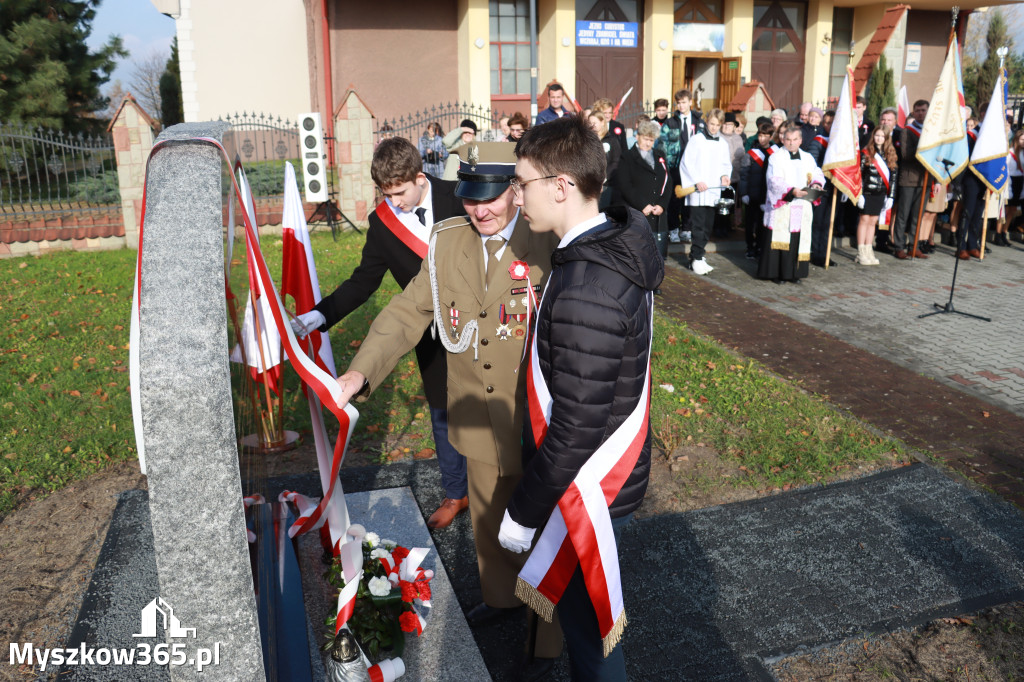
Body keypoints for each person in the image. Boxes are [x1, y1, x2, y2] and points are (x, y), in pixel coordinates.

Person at [330, 142, 564, 675]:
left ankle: (543, 637)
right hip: (476, 415)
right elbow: (408, 310)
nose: (479, 211)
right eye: (469, 197)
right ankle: (503, 599)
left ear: (515, 190)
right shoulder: (448, 240)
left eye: (492, 198)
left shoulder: (549, 239)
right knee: (486, 518)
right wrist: (360, 371)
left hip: (535, 420)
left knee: (541, 529)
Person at [501, 113, 661, 682]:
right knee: (588, 632)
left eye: (522, 183)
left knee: (592, 642)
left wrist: (523, 511)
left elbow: (576, 425)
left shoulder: (584, 286)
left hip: (582, 485)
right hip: (598, 475)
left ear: (562, 186)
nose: (515, 196)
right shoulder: (615, 245)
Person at [291, 137, 470, 529]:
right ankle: (457, 493)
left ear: (420, 177)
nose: (396, 203)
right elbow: (363, 282)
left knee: (489, 408)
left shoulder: (460, 197)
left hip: (478, 324)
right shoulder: (382, 224)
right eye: (387, 195)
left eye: (401, 192)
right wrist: (316, 317)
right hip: (427, 331)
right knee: (443, 414)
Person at [758, 126, 825, 284]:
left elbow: (817, 173)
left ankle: (793, 273)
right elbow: (773, 180)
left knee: (797, 239)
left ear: (800, 140)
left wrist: (816, 185)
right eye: (788, 139)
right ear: (783, 139)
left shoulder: (808, 157)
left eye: (795, 140)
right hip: (783, 205)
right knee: (780, 238)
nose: (791, 143)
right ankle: (776, 274)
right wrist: (791, 191)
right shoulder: (776, 157)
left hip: (802, 205)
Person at [678, 108, 732, 275]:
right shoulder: (697, 140)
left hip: (714, 190)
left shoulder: (723, 143)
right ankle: (695, 258)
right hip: (699, 190)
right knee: (698, 225)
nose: (714, 127)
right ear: (706, 122)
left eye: (717, 125)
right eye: (711, 124)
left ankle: (700, 256)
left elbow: (725, 165)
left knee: (708, 225)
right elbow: (686, 163)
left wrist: (725, 176)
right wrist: (696, 181)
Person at [616, 120, 672, 263]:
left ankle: (654, 283)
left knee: (657, 257)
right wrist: (642, 205)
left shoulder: (659, 156)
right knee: (637, 256)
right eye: (645, 139)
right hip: (637, 213)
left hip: (657, 214)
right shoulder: (627, 157)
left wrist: (662, 204)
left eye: (651, 140)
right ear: (638, 136)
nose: (648, 143)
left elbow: (667, 181)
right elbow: (625, 185)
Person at [658, 89, 704, 243]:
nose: (681, 105)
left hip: (694, 168)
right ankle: (674, 229)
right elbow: (662, 145)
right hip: (675, 167)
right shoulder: (670, 122)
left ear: (690, 102)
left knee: (691, 198)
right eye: (678, 103)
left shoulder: (699, 122)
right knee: (675, 199)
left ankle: (687, 228)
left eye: (684, 102)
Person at [890, 100, 932, 259]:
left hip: (925, 180)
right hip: (909, 179)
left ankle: (914, 246)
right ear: (913, 113)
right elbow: (906, 154)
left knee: (917, 215)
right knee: (903, 215)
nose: (921, 113)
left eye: (923, 110)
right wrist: (924, 143)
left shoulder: (931, 131)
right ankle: (899, 246)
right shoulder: (907, 131)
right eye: (918, 111)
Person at [854, 127, 898, 265]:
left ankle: (868, 249)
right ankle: (861, 251)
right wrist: (859, 194)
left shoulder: (890, 154)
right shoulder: (866, 153)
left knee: (873, 222)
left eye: (882, 136)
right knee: (864, 220)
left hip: (880, 194)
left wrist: (890, 196)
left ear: (886, 138)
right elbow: (859, 174)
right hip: (867, 193)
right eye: (877, 135)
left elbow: (893, 178)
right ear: (873, 136)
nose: (879, 138)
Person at [738, 121, 774, 260]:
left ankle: (760, 246)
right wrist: (744, 193)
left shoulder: (775, 152)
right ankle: (750, 247)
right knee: (750, 223)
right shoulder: (751, 154)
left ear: (771, 136)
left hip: (767, 196)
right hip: (752, 195)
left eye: (765, 135)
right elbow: (744, 174)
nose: (762, 138)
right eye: (760, 135)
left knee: (762, 223)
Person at [587, 110, 621, 209]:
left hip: (608, 184)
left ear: (602, 122)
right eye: (590, 123)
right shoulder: (588, 141)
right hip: (591, 184)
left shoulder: (612, 140)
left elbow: (616, 161)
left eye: (594, 123)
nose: (592, 126)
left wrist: (604, 177)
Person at [1001, 127, 1024, 245]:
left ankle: (1005, 231)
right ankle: (999, 232)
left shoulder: (1023, 154)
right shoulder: (1010, 153)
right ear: (1016, 139)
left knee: (1013, 209)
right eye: (1021, 139)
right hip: (1010, 182)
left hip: (1019, 183)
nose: (1023, 142)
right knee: (1005, 209)